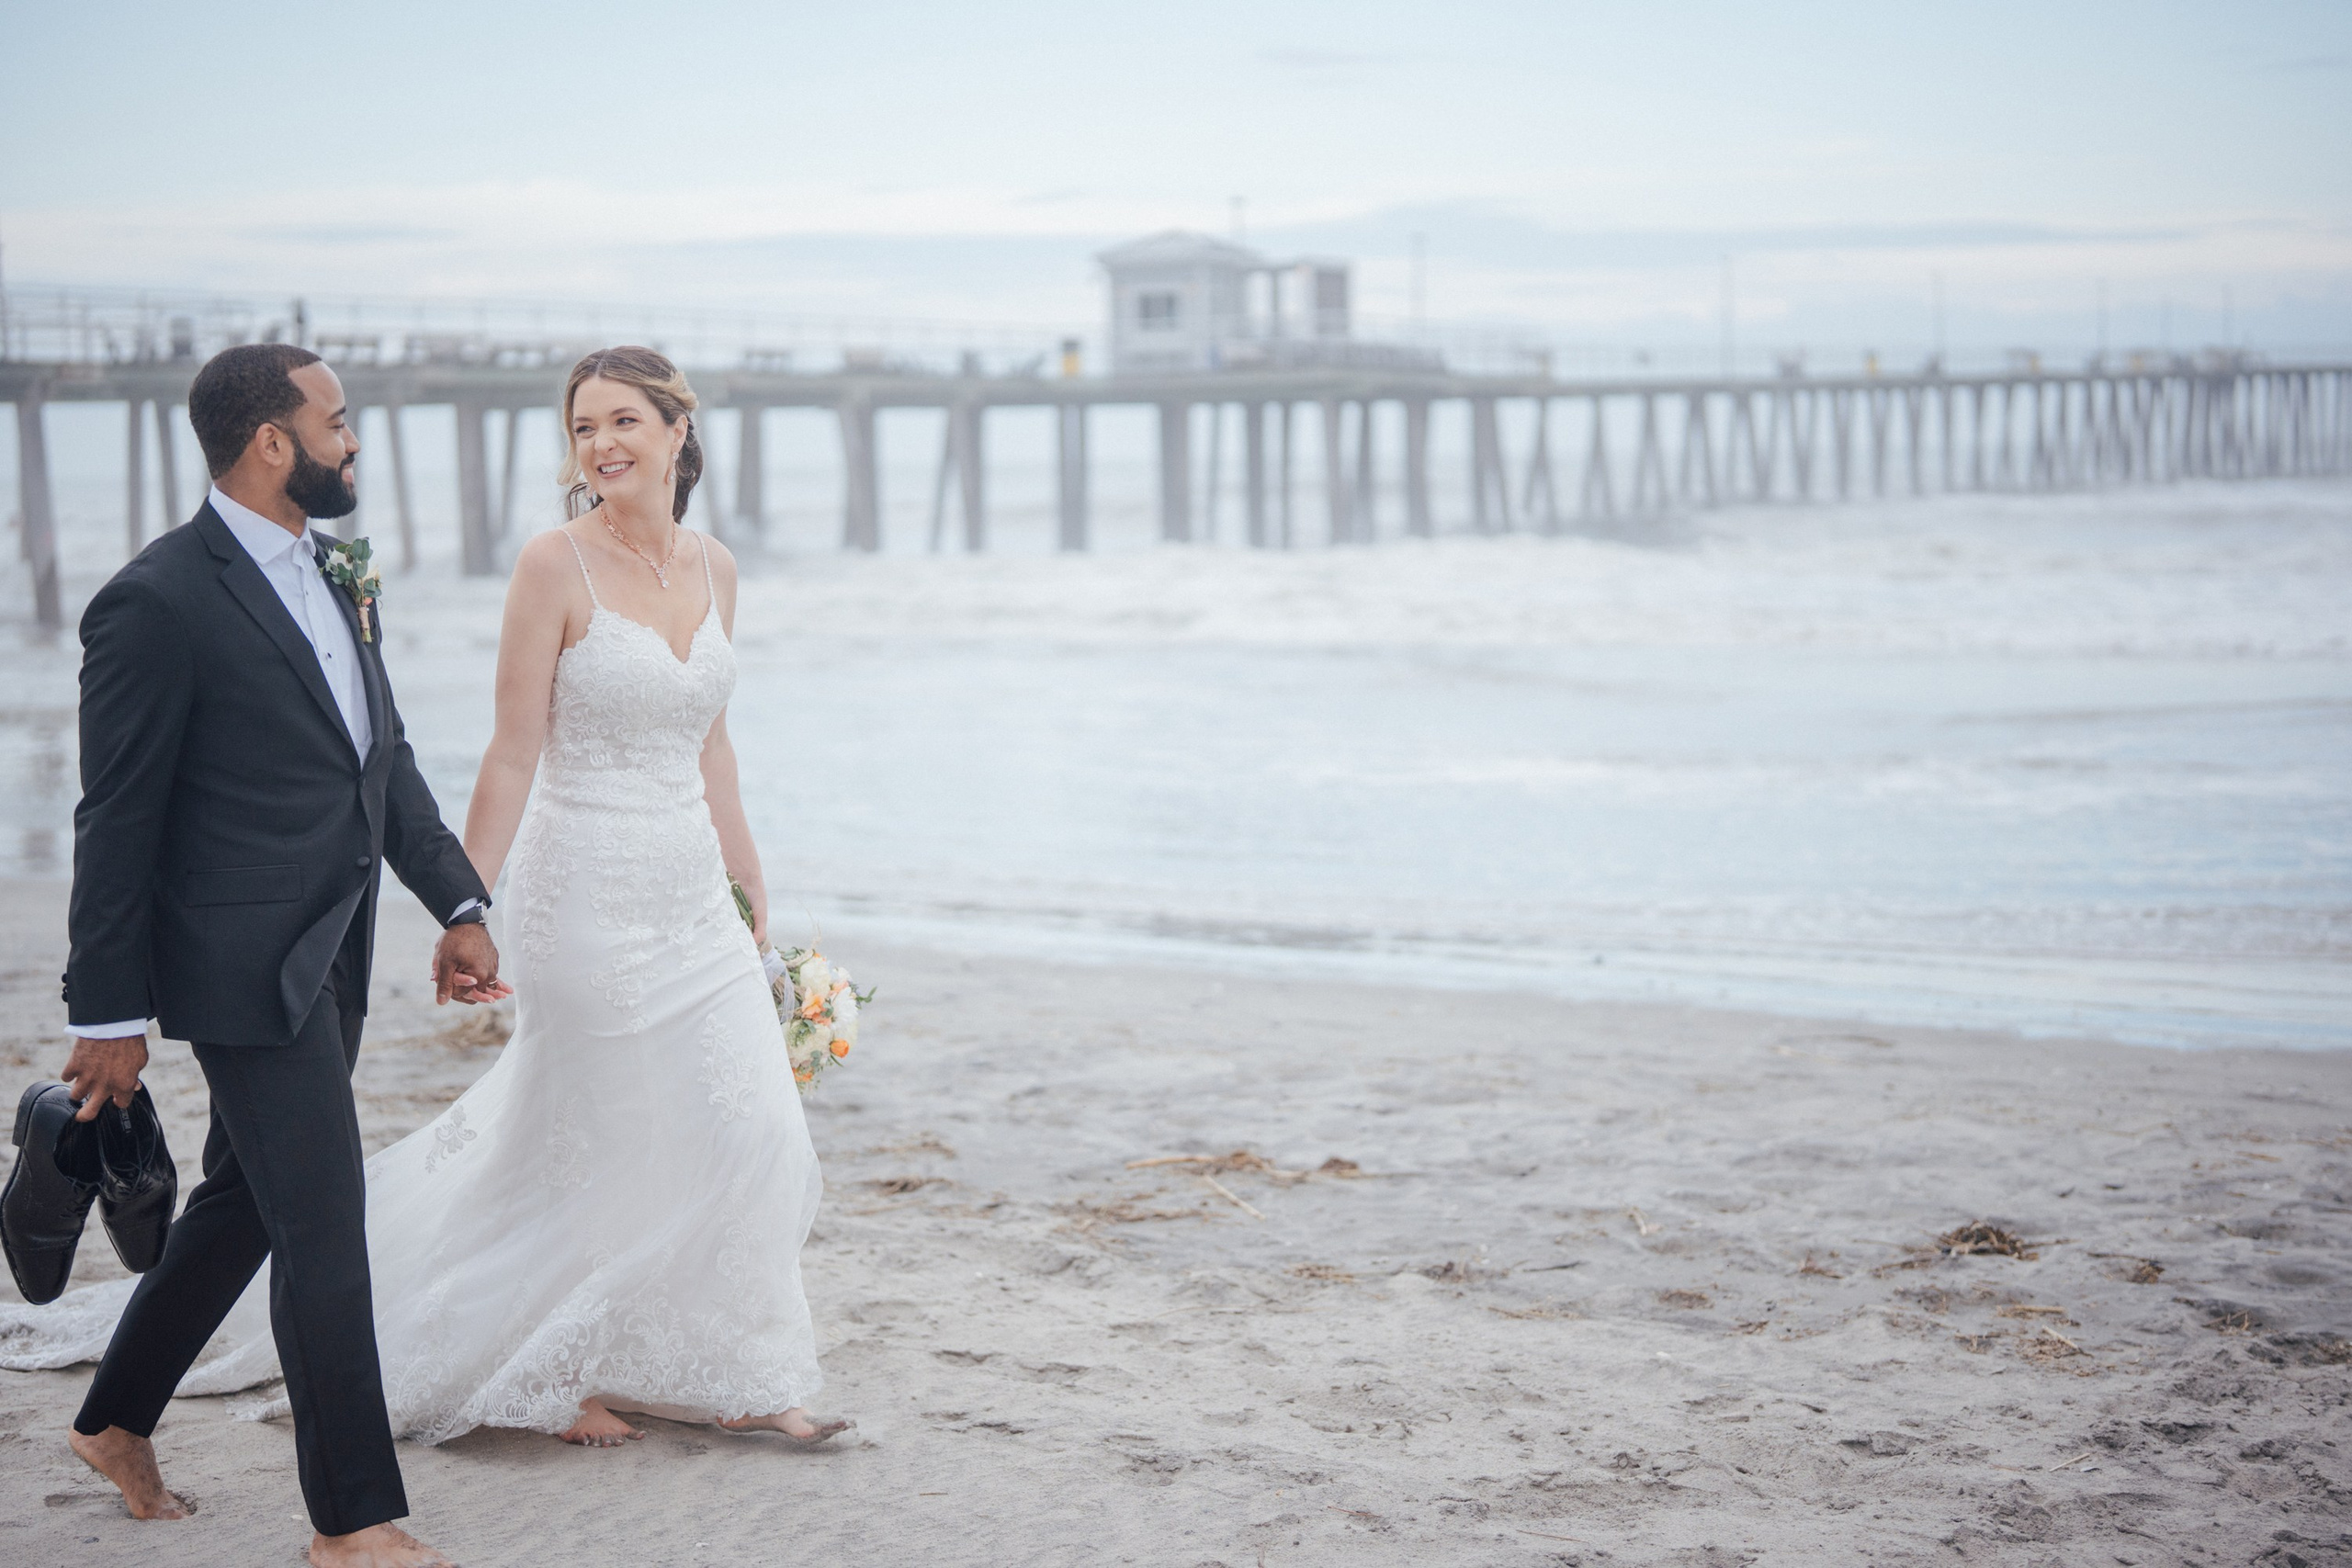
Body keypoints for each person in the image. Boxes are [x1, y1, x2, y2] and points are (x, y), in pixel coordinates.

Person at [45, 343, 501, 1568]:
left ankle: (113, 1418)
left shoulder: (335, 573)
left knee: (247, 1204)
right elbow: (117, 816)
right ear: (271, 442)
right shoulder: (159, 601)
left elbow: (380, 758)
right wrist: (110, 1011)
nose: (354, 442)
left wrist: (455, 900)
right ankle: (352, 1522)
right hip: (237, 967)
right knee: (322, 1222)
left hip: (333, 951)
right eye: (338, 421)